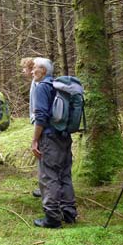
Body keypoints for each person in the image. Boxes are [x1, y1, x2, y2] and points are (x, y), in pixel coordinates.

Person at [30, 58, 77, 228]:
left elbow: (40, 116)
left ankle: (52, 217)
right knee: (65, 174)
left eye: (34, 68)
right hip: (64, 136)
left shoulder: (42, 87)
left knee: (49, 175)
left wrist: (35, 139)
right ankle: (69, 212)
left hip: (49, 137)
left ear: (43, 70)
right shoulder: (58, 87)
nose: (31, 71)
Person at [20, 57, 42, 198]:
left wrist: (35, 135)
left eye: (25, 68)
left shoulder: (37, 84)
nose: (23, 71)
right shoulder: (35, 83)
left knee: (41, 154)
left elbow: (38, 108)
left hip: (40, 124)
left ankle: (44, 186)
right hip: (38, 123)